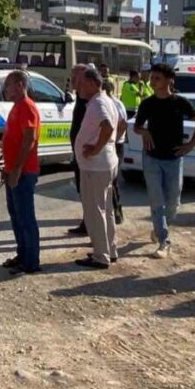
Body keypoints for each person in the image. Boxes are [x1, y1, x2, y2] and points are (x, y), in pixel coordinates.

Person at [134, 63, 195, 259]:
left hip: (174, 158)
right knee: (156, 200)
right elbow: (136, 127)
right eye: (152, 78)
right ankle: (163, 240)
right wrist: (144, 131)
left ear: (169, 80)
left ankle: (159, 228)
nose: (152, 81)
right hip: (151, 158)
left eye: (157, 78)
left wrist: (191, 144)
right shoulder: (147, 103)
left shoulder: (180, 102)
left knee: (173, 202)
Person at [73, 68, 120, 269]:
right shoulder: (106, 100)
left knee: (95, 211)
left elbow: (108, 127)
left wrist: (95, 149)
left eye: (81, 83)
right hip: (105, 163)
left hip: (96, 166)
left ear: (92, 84)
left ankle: (101, 255)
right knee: (106, 209)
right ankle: (110, 249)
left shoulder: (98, 103)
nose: (78, 87)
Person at [0, 70, 42, 275]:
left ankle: (31, 261)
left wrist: (16, 168)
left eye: (7, 85)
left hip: (24, 172)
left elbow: (29, 139)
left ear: (19, 85)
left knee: (25, 217)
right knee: (16, 215)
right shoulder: (16, 107)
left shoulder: (27, 107)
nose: (4, 89)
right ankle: (22, 255)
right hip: (13, 170)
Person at [67, 64, 91, 236]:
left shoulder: (91, 101)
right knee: (82, 190)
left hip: (87, 155)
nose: (72, 80)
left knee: (90, 192)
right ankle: (87, 221)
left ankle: (91, 226)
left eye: (75, 77)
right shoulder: (79, 98)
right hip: (78, 154)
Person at [102, 79, 128, 225]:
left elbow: (123, 125)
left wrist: (113, 139)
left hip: (116, 145)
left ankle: (117, 211)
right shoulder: (104, 103)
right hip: (110, 144)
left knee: (113, 180)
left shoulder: (116, 104)